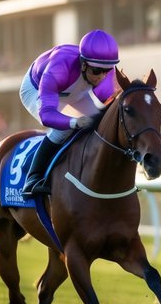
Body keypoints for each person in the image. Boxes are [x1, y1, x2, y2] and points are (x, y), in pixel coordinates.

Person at [19, 29, 120, 197]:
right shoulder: (59, 68)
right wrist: (74, 122)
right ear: (83, 63)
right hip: (36, 88)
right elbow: (47, 115)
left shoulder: (108, 77)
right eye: (96, 71)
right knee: (64, 128)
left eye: (107, 71)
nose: (102, 77)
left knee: (99, 121)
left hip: (75, 92)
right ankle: (33, 176)